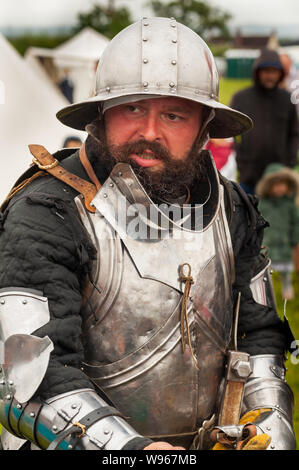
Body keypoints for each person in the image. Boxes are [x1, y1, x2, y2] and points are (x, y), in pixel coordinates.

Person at [0, 18, 296, 451]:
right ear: (100, 116)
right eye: (132, 108)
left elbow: (260, 336)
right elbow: (25, 380)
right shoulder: (48, 212)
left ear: (204, 127)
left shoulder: (233, 210)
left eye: (174, 114)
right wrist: (139, 452)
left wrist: (268, 430)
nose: (150, 132)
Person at [230, 48, 299, 195]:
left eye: (274, 71)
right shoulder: (241, 99)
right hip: (248, 176)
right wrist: (241, 162)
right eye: (266, 71)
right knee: (247, 216)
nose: (270, 76)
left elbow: (294, 134)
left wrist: (289, 164)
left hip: (278, 176)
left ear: (281, 73)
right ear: (257, 72)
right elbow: (232, 133)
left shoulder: (287, 100)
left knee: (276, 217)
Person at [256, 163, 299, 300]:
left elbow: (296, 223)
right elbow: (257, 222)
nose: (280, 188)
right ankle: (266, 290)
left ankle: (286, 285)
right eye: (276, 184)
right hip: (267, 243)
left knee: (285, 269)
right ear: (268, 186)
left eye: (283, 184)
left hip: (284, 243)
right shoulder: (262, 204)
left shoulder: (290, 204)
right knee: (266, 269)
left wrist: (294, 239)